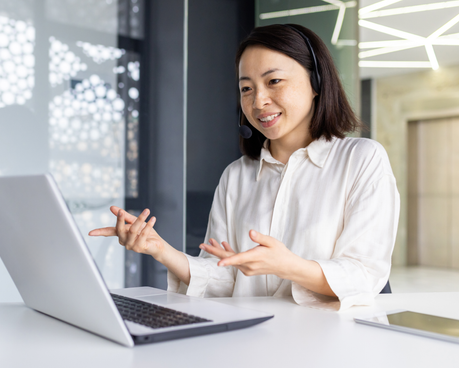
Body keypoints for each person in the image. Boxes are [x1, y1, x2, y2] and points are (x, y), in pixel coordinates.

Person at [89, 24, 399, 311]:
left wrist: (286, 265)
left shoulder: (361, 159)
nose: (258, 101)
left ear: (316, 82)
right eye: (246, 88)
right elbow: (223, 278)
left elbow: (364, 275)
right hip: (251, 341)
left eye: (273, 81)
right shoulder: (236, 176)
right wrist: (160, 250)